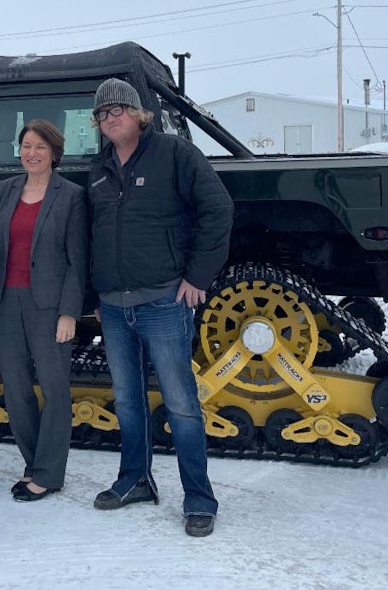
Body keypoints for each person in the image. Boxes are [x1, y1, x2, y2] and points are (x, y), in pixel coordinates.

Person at [86, 78, 233, 537]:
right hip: (113, 307)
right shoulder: (99, 168)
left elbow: (218, 209)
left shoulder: (174, 154)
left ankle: (198, 498)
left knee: (181, 404)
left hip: (164, 302)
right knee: (127, 401)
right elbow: (92, 234)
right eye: (103, 113)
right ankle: (136, 480)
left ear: (139, 114)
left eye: (118, 110)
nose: (111, 118)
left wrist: (197, 276)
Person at [0, 119, 88, 503]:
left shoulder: (71, 196)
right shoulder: (5, 190)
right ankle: (33, 464)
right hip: (5, 302)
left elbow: (78, 261)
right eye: (26, 145)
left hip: (49, 306)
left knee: (55, 389)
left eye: (40, 147)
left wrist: (69, 313)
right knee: (15, 389)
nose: (31, 153)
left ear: (54, 153)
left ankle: (49, 474)